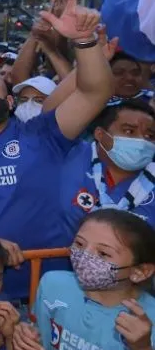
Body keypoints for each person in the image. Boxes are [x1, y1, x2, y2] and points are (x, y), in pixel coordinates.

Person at [0, 0, 115, 302]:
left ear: (10, 102)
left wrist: (84, 41)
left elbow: (95, 92)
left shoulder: (43, 134)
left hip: (45, 293)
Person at [11, 209, 155, 350]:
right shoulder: (53, 285)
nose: (85, 256)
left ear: (139, 272)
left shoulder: (147, 321)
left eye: (103, 253)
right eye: (79, 244)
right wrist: (22, 341)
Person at [56, 100, 155, 245]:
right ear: (100, 134)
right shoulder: (69, 155)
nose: (141, 141)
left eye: (150, 136)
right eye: (129, 131)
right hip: (55, 264)